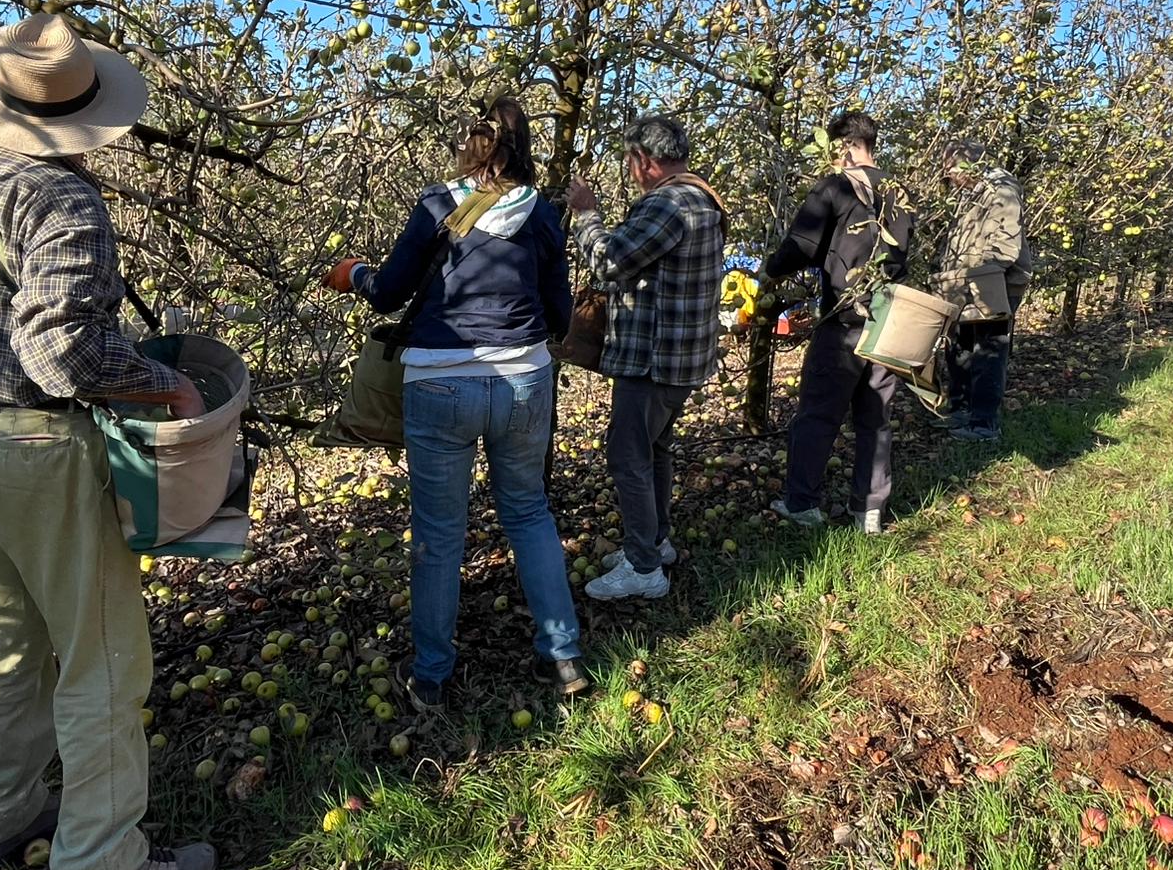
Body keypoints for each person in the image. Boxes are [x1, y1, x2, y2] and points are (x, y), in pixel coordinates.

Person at [0, 14, 216, 870]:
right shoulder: (60, 199)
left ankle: (0, 814)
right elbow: (58, 352)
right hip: (40, 448)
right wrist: (167, 385)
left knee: (5, 641)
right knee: (102, 660)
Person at [323, 98, 588, 704]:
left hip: (440, 381)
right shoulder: (543, 214)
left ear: (470, 147)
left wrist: (355, 273)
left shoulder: (438, 206)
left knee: (439, 533)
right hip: (523, 379)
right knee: (528, 514)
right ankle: (564, 657)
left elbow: (389, 293)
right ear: (524, 151)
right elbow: (559, 310)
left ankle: (432, 675)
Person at [566, 114, 726, 600]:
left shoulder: (668, 204)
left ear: (643, 159)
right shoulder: (703, 197)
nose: (629, 171)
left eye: (629, 161)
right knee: (654, 449)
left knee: (627, 454)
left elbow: (611, 262)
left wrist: (585, 215)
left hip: (654, 361)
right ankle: (654, 541)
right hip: (682, 358)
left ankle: (643, 568)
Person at [762, 110, 914, 536]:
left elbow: (801, 245)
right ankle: (869, 511)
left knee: (818, 413)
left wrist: (769, 273)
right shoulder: (899, 193)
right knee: (876, 417)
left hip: (844, 320)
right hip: (888, 319)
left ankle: (802, 503)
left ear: (842, 146)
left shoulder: (835, 187)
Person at [936, 139, 1033, 442]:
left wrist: (979, 276)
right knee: (959, 350)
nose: (948, 177)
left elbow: (1005, 245)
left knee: (988, 352)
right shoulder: (969, 194)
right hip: (965, 285)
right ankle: (961, 411)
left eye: (950, 170)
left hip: (993, 285)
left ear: (966, 164)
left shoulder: (1000, 189)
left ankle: (983, 424)